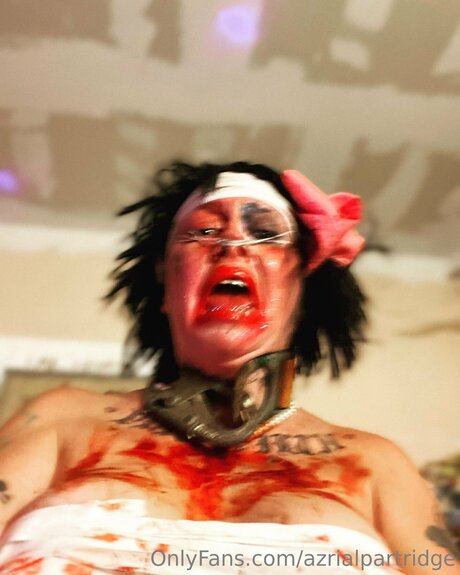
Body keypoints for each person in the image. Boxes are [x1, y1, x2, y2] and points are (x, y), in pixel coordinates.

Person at [0, 161, 458, 574]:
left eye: (266, 233)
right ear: (165, 283)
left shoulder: (375, 465)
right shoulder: (60, 420)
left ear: (301, 290)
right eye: (203, 231)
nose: (233, 244)